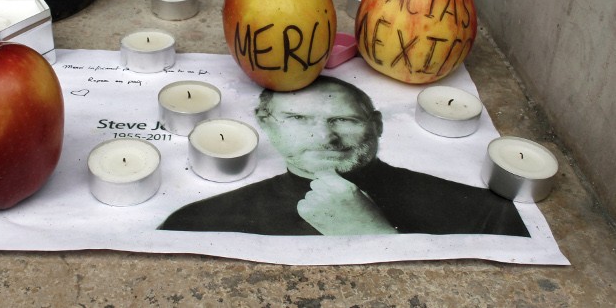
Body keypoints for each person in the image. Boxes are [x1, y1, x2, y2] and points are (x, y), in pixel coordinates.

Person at [159, 76, 529, 237]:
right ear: (265, 124)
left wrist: (371, 234)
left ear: (377, 125)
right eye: (298, 118)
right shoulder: (197, 220)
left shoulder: (484, 211)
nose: (325, 137)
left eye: (345, 120)